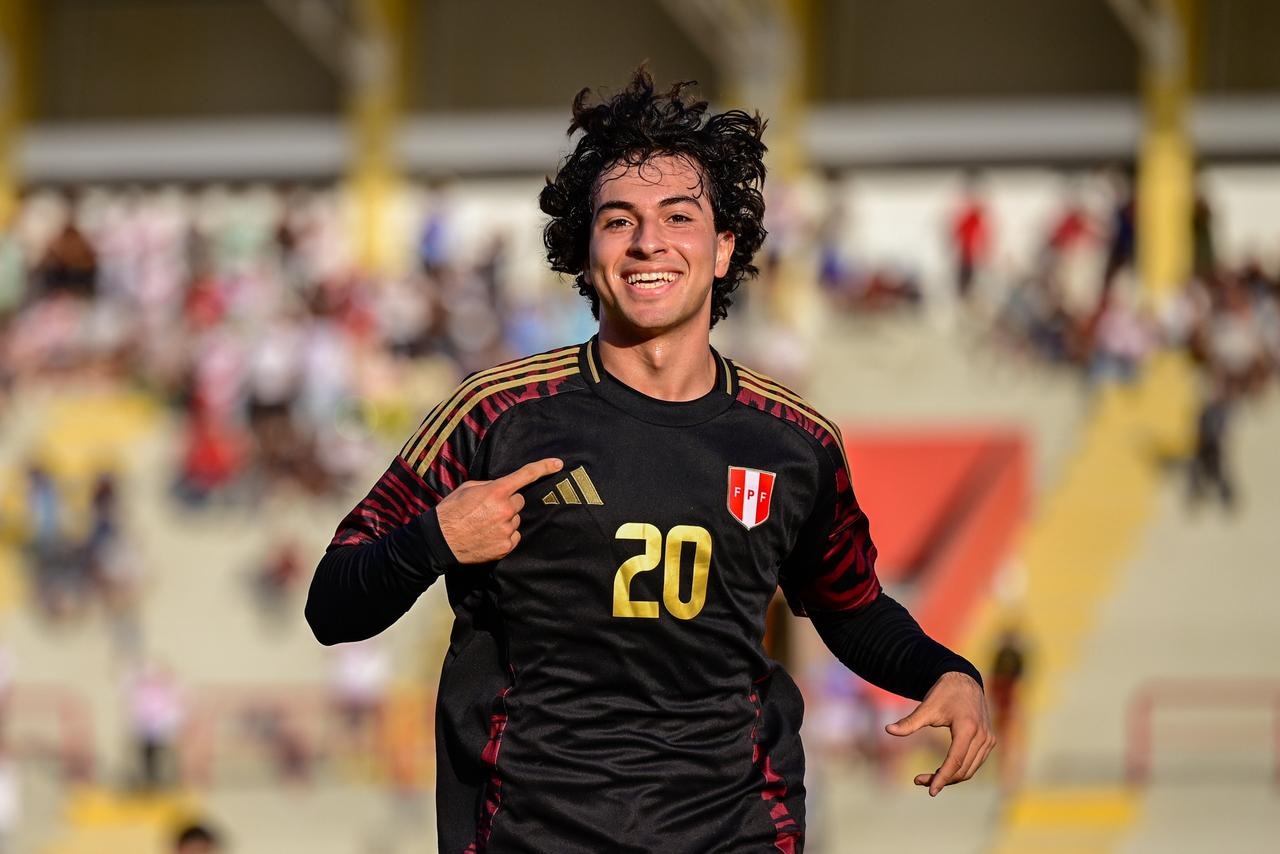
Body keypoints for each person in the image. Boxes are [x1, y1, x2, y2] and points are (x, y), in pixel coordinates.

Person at [306, 70, 992, 852]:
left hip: (735, 825)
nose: (648, 243)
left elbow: (850, 606)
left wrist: (945, 671)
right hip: (532, 830)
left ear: (725, 246)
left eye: (678, 216)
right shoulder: (495, 412)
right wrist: (435, 539)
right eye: (618, 220)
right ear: (583, 248)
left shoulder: (794, 440)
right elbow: (333, 603)